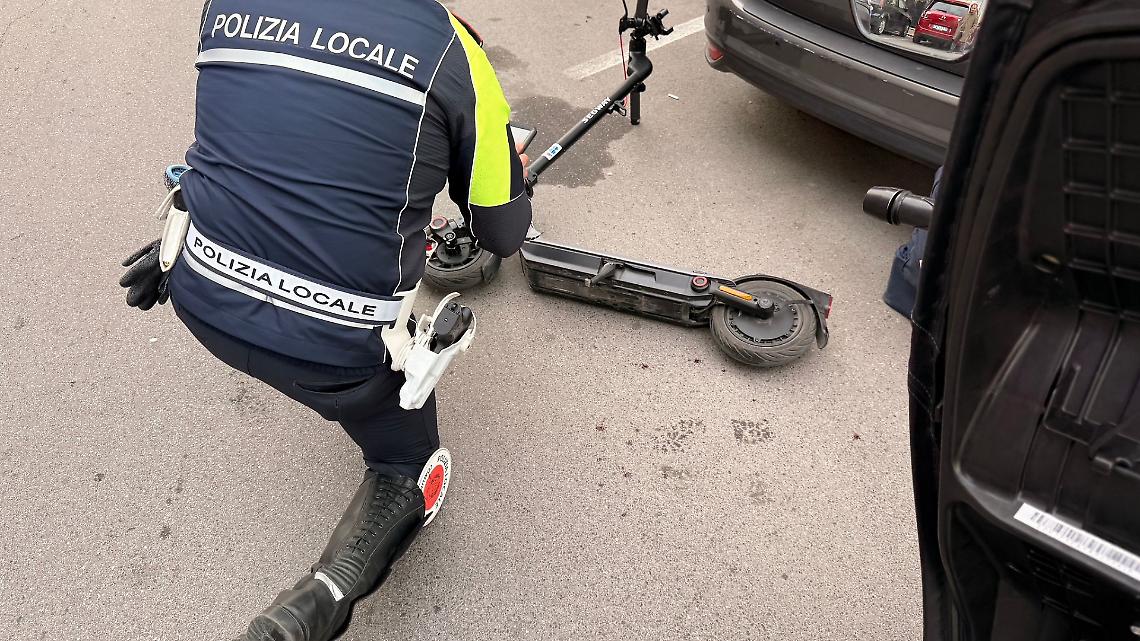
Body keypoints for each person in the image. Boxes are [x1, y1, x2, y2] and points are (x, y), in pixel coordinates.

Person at [118, 2, 532, 640]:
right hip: (339, 355)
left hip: (198, 289)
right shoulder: (454, 51)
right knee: (403, 459)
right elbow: (503, 232)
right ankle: (320, 599)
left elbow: (249, 136)